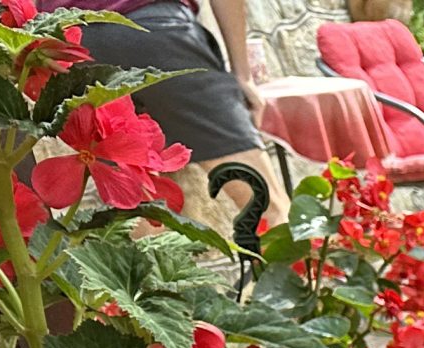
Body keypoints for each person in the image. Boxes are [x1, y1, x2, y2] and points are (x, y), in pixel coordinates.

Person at [69, 0, 286, 233]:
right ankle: (297, 254)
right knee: (267, 206)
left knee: (140, 208)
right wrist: (243, 75)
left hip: (77, 46)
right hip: (157, 31)